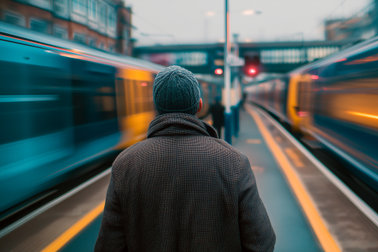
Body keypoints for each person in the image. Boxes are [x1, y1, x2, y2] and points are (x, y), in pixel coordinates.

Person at [95, 65, 275, 251]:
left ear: (155, 107)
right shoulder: (234, 162)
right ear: (199, 105)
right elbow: (262, 242)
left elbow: (108, 246)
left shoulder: (125, 164)